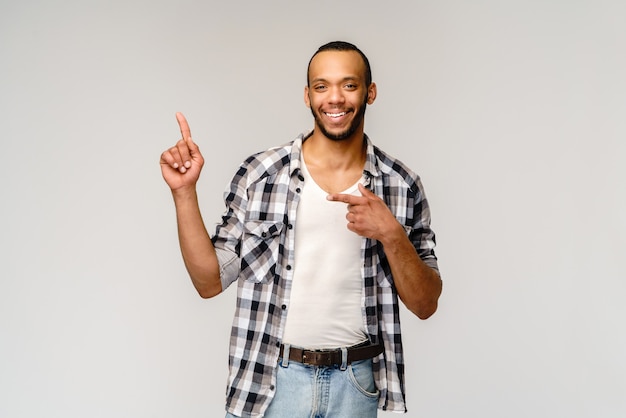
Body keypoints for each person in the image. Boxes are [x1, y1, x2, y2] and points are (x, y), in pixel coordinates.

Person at [160, 41, 442, 418]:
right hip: (271, 380)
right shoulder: (261, 174)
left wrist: (391, 234)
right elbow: (209, 282)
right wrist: (184, 193)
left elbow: (426, 304)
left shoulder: (401, 185)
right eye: (322, 86)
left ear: (370, 93)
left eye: (349, 85)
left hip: (356, 385)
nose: (335, 98)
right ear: (307, 96)